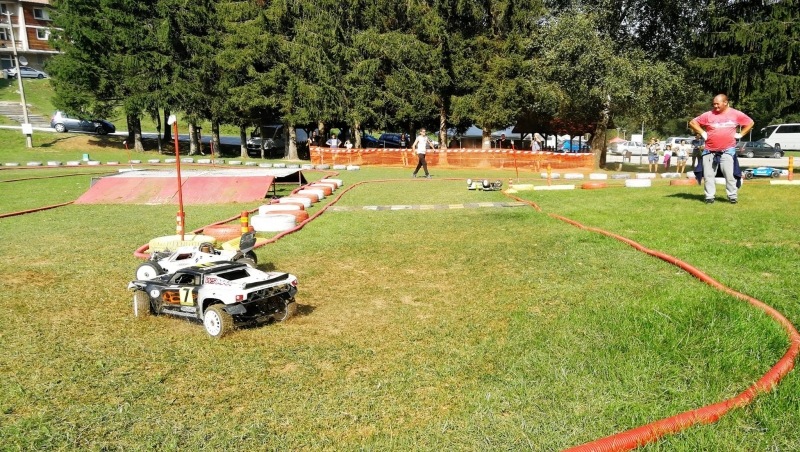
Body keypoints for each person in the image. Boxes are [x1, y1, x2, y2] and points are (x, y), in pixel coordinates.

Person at [689, 94, 754, 204]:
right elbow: (692, 123)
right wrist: (703, 133)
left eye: (717, 104)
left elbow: (750, 123)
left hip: (728, 150)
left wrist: (741, 134)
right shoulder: (708, 115)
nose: (715, 106)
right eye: (714, 104)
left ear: (725, 102)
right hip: (709, 150)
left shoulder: (736, 114)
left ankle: (732, 196)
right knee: (708, 176)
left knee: (729, 175)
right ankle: (709, 197)